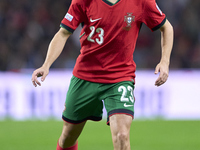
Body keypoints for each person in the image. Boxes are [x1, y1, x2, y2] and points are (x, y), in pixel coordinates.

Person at [31, 0, 173, 149]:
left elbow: (166, 28)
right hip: (85, 76)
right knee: (68, 136)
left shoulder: (141, 1)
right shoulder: (83, 1)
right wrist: (46, 65)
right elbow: (63, 33)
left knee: (122, 135)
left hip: (120, 77)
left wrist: (165, 61)